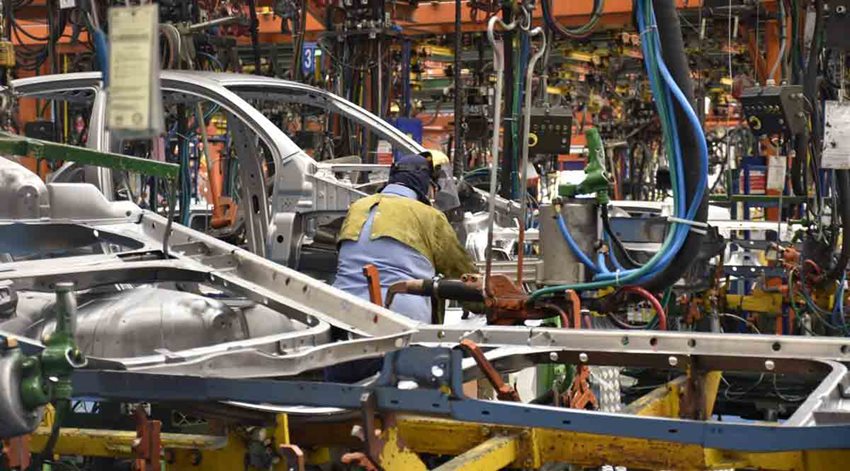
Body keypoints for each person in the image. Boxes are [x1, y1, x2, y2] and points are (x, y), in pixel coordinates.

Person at [326, 153, 475, 383]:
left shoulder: (358, 207)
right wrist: (488, 303)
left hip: (341, 323)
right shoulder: (429, 216)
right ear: (427, 187)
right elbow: (462, 274)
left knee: (340, 406)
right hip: (401, 332)